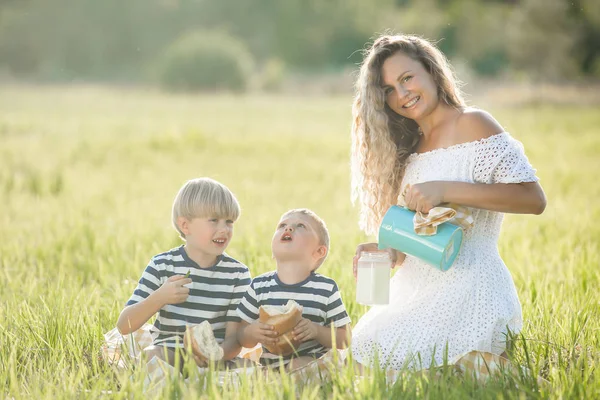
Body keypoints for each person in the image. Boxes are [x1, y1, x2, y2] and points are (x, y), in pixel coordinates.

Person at [349, 34, 547, 370]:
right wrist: (388, 252)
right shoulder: (408, 151)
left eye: (406, 78)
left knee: (433, 372)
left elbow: (532, 197)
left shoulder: (473, 123)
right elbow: (420, 239)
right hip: (414, 295)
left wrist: (445, 188)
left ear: (431, 70)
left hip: (472, 292)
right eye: (389, 91)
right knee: (360, 359)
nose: (402, 95)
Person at [116, 177, 251, 369]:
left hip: (216, 358)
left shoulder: (237, 274)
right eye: (214, 220)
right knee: (151, 357)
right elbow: (124, 325)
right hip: (171, 353)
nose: (224, 229)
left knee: (254, 371)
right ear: (185, 225)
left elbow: (234, 338)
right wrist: (159, 297)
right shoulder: (163, 265)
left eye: (229, 222)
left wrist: (216, 356)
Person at [236, 209, 352, 369]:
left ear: (319, 251)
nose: (288, 228)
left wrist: (317, 331)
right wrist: (253, 332)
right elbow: (241, 336)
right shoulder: (258, 286)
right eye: (282, 225)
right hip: (271, 367)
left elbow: (345, 338)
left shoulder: (325, 289)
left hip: (312, 367)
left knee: (306, 365)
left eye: (301, 226)